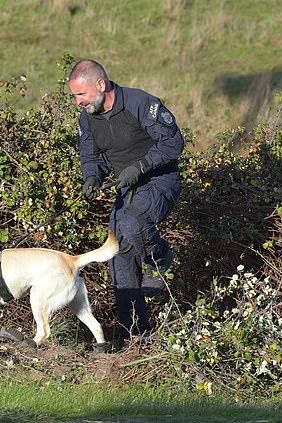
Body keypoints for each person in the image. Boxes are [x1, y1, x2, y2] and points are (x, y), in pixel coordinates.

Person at [69, 59, 184, 346]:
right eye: (75, 96)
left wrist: (140, 166)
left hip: (159, 182)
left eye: (81, 95)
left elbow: (173, 143)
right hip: (128, 190)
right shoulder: (87, 119)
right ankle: (135, 335)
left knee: (133, 222)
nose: (78, 101)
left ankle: (161, 260)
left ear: (100, 84)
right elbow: (90, 156)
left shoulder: (140, 103)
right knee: (117, 251)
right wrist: (91, 178)